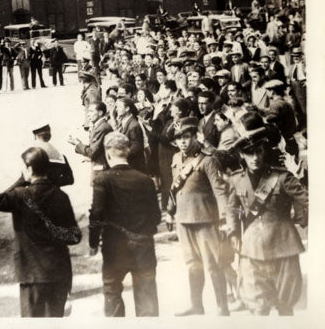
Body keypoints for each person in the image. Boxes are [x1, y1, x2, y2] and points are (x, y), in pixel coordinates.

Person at [0, 144, 81, 317]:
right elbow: (75, 236)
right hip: (59, 274)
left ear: (30, 169)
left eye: (24, 168)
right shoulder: (61, 197)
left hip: (32, 276)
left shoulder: (20, 195)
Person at [225, 112, 308, 315]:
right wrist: (234, 232)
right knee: (257, 306)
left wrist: (300, 176)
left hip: (283, 247)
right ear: (241, 156)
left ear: (264, 151)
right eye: (249, 153)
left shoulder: (282, 177)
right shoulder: (236, 180)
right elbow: (232, 208)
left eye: (258, 151)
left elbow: (310, 201)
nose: (255, 158)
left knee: (285, 305)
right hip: (252, 249)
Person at [89, 132, 161, 316]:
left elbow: (97, 214)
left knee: (112, 292)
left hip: (115, 247)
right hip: (143, 246)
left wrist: (93, 242)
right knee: (147, 295)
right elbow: (156, 217)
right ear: (127, 151)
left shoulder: (102, 179)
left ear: (108, 153)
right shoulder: (145, 180)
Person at [167, 117, 230, 316]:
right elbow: (175, 189)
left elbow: (220, 190)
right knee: (192, 264)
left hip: (205, 219)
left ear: (195, 137)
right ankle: (197, 305)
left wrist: (224, 218)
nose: (183, 142)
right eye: (179, 138)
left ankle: (223, 307)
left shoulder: (207, 160)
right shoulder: (176, 158)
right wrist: (170, 212)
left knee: (213, 264)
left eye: (186, 137)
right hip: (183, 220)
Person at [69, 101, 113, 184]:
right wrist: (78, 144)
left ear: (100, 113)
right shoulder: (99, 126)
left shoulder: (101, 128)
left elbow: (92, 152)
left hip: (101, 168)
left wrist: (78, 144)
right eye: (88, 111)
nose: (88, 114)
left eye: (91, 111)